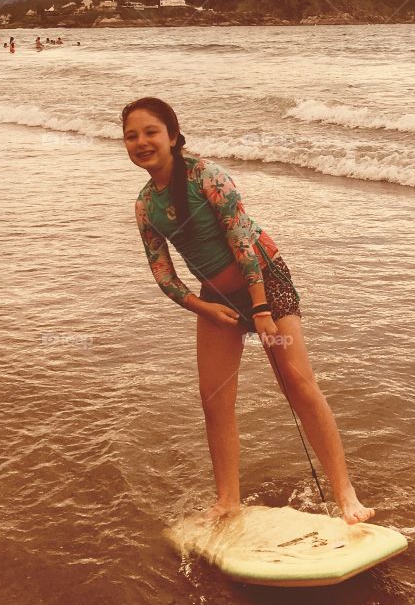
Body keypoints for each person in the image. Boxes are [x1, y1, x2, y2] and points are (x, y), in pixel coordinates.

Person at [122, 96, 375, 526]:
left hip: (266, 283)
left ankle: (346, 494)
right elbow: (163, 275)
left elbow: (242, 241)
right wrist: (204, 308)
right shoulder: (146, 206)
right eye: (131, 136)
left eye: (151, 132)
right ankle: (228, 500)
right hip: (216, 300)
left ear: (173, 136)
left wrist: (260, 309)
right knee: (214, 399)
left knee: (296, 382)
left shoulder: (209, 177)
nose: (142, 142)